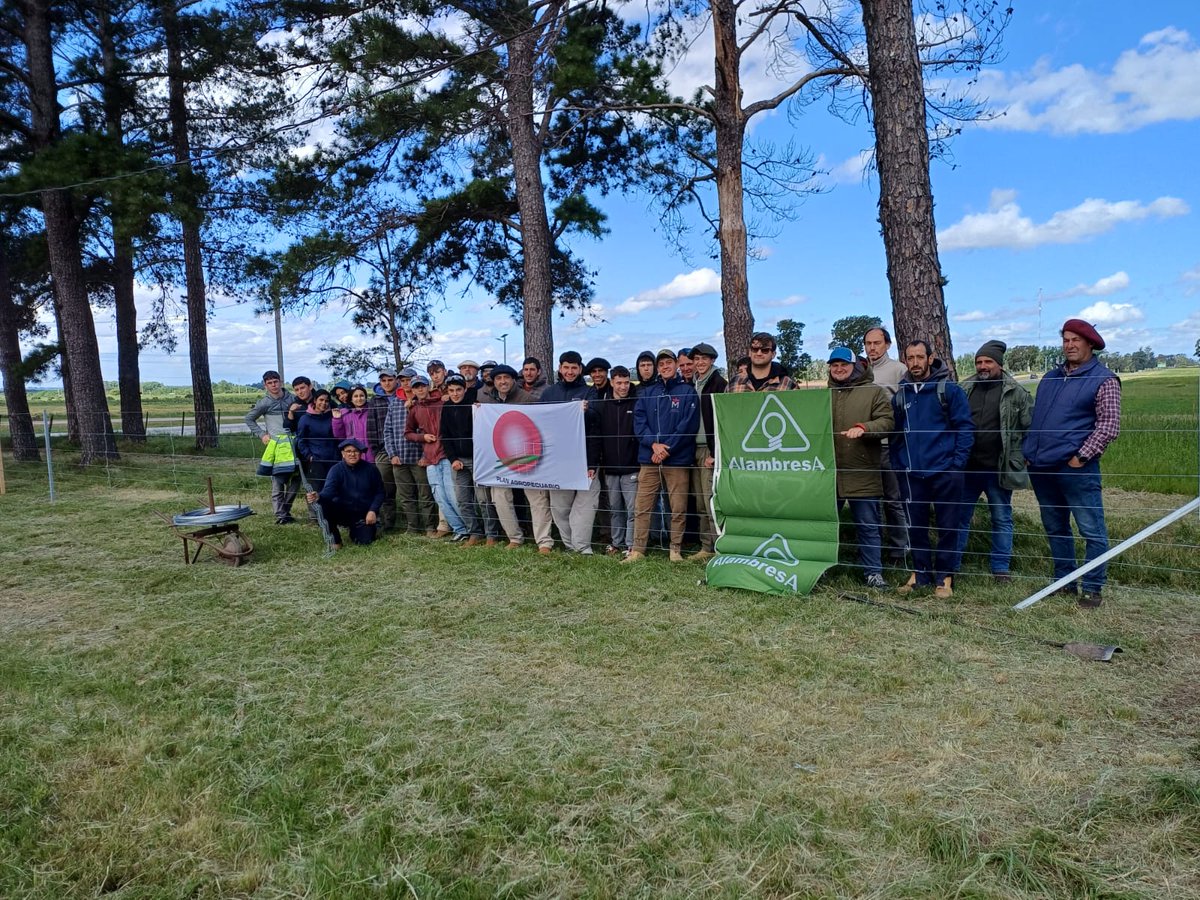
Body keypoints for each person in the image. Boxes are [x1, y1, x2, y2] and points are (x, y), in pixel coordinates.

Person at [1023, 319, 1121, 608]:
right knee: (1056, 527)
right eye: (1066, 340)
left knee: (1091, 529)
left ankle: (1092, 588)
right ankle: (1064, 581)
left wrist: (1081, 457)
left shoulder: (1104, 379)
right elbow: (1037, 418)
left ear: (1090, 344)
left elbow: (1108, 426)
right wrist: (1029, 451)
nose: (1070, 345)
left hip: (1075, 468)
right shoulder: (1050, 378)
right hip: (1042, 467)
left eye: (1076, 340)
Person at [891, 340, 975, 599]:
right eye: (910, 358)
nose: (915, 363)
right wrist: (899, 463)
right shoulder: (902, 393)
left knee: (948, 526)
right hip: (912, 473)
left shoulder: (948, 390)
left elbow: (965, 429)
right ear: (905, 360)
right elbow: (896, 433)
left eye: (920, 357)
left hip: (944, 472)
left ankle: (945, 576)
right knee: (916, 527)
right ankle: (920, 573)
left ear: (930, 358)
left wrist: (956, 465)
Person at [957, 340, 1032, 582]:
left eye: (988, 361)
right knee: (959, 516)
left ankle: (1000, 567)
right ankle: (952, 563)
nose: (982, 366)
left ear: (999, 364)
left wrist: (1023, 457)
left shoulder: (1016, 392)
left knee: (1001, 517)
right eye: (979, 362)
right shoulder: (964, 388)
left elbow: (1030, 428)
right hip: (967, 467)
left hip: (998, 468)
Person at [623, 348, 700, 563]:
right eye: (661, 364)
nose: (665, 367)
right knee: (642, 506)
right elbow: (639, 424)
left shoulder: (687, 392)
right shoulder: (647, 393)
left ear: (676, 364)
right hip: (649, 458)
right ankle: (638, 550)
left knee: (678, 506)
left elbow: (688, 426)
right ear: (657, 368)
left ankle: (675, 549)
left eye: (669, 362)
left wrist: (667, 448)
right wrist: (654, 445)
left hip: (677, 459)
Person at [827, 348, 893, 588]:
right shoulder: (824, 395)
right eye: (834, 365)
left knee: (868, 526)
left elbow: (887, 421)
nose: (839, 369)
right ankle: (822, 568)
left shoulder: (874, 392)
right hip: (830, 474)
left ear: (855, 366)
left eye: (843, 364)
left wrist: (864, 428)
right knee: (825, 525)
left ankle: (873, 573)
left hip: (862, 471)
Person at [542, 350, 601, 554]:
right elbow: (540, 424)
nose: (569, 371)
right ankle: (569, 544)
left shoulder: (590, 393)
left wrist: (588, 411)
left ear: (580, 369)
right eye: (566, 367)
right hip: (557, 461)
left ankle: (582, 546)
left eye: (574, 368)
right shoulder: (549, 393)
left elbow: (596, 425)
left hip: (584, 459)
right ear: (560, 368)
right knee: (560, 507)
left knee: (585, 505)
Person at [864, 325, 911, 563]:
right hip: (865, 446)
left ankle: (899, 549)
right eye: (868, 344)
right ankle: (874, 548)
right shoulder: (860, 370)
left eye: (877, 343)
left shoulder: (898, 370)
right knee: (870, 500)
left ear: (887, 345)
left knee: (894, 500)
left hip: (889, 446)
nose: (872, 348)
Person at [478, 364, 535, 547]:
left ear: (513, 380)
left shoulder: (527, 399)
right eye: (498, 379)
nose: (502, 382)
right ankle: (515, 537)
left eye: (506, 378)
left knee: (536, 497)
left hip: (526, 457)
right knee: (499, 495)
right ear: (493, 382)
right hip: (501, 458)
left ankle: (543, 539)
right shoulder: (490, 402)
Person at [406, 374, 467, 539]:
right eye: (416, 387)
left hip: (447, 454)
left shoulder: (443, 402)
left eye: (423, 385)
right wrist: (422, 437)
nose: (420, 389)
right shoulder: (414, 409)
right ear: (412, 390)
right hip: (430, 457)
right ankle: (459, 529)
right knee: (440, 497)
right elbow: (408, 433)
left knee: (453, 494)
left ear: (428, 386)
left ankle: (469, 527)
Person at [442, 374, 498, 545]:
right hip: (458, 461)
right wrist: (452, 459)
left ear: (465, 389)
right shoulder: (446, 407)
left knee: (483, 499)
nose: (455, 393)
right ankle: (474, 532)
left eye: (458, 389)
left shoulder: (474, 406)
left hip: (477, 459)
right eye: (451, 390)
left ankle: (492, 534)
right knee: (463, 499)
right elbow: (446, 436)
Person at [305, 439, 385, 549]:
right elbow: (328, 492)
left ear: (361, 453)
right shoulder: (336, 470)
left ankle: (361, 529)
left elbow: (380, 492)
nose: (352, 454)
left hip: (363, 514)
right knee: (323, 505)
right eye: (348, 451)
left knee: (364, 541)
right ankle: (336, 540)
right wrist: (318, 496)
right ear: (343, 453)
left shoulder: (371, 469)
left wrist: (373, 510)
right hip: (342, 510)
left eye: (356, 451)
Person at [245, 370, 300, 524]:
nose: (273, 385)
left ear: (280, 381)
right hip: (277, 447)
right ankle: (280, 515)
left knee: (296, 480)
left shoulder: (292, 398)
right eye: (269, 383)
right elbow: (249, 419)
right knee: (278, 482)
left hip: (295, 445)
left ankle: (285, 510)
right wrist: (262, 434)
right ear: (265, 385)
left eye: (275, 381)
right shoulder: (264, 403)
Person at [384, 376, 436, 535]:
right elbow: (388, 432)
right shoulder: (394, 404)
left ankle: (429, 527)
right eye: (403, 381)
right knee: (406, 496)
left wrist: (425, 456)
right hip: (399, 458)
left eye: (409, 380)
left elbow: (430, 432)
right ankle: (413, 527)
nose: (406, 383)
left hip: (419, 458)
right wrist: (392, 454)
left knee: (426, 495)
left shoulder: (425, 404)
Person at [690, 341, 727, 561]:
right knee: (699, 501)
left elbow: (723, 420)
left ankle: (718, 546)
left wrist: (716, 452)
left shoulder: (718, 383)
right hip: (693, 447)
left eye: (704, 359)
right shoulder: (694, 383)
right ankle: (706, 546)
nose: (700, 362)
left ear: (712, 360)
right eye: (696, 359)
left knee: (710, 499)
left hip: (709, 450)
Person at [598, 365, 640, 556]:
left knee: (632, 509)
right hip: (610, 467)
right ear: (612, 382)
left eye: (626, 382)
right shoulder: (603, 404)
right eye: (619, 383)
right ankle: (616, 542)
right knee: (615, 508)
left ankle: (631, 545)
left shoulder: (635, 402)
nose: (623, 387)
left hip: (631, 466)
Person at [366, 367, 399, 532]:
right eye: (383, 380)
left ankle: (414, 522)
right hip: (383, 449)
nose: (387, 383)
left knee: (408, 487)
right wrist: (375, 449)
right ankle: (389, 522)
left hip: (404, 447)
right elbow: (371, 426)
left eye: (390, 380)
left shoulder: (403, 396)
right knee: (386, 488)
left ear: (396, 380)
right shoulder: (375, 401)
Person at [295, 389, 339, 500]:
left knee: (334, 488)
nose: (324, 403)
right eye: (321, 400)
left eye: (327, 401)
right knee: (316, 490)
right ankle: (315, 516)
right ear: (315, 400)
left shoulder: (332, 416)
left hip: (333, 459)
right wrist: (309, 456)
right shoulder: (305, 419)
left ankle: (332, 515)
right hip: (316, 460)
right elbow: (301, 440)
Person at [727, 332, 796, 392]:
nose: (759, 353)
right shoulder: (735, 382)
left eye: (765, 350)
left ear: (773, 354)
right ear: (749, 352)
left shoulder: (787, 384)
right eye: (755, 349)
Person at [331, 385, 374, 462]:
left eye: (361, 396)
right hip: (353, 457)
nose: (359, 398)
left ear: (365, 397)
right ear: (351, 399)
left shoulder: (372, 411)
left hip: (372, 455)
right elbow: (339, 436)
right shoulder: (345, 414)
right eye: (355, 396)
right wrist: (337, 420)